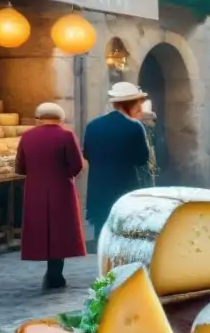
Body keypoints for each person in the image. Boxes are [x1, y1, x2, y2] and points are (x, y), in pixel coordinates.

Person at [16, 103, 87, 290]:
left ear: (38, 118)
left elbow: (20, 167)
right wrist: (66, 173)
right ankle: (55, 273)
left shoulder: (27, 136)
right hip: (61, 189)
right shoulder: (66, 135)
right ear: (60, 118)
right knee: (60, 231)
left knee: (41, 230)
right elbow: (77, 165)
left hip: (35, 191)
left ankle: (52, 273)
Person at [83, 82, 151, 241]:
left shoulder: (93, 125)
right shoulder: (134, 126)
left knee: (102, 234)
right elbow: (142, 159)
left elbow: (87, 154)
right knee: (124, 235)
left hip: (98, 187)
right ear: (131, 104)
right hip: (124, 187)